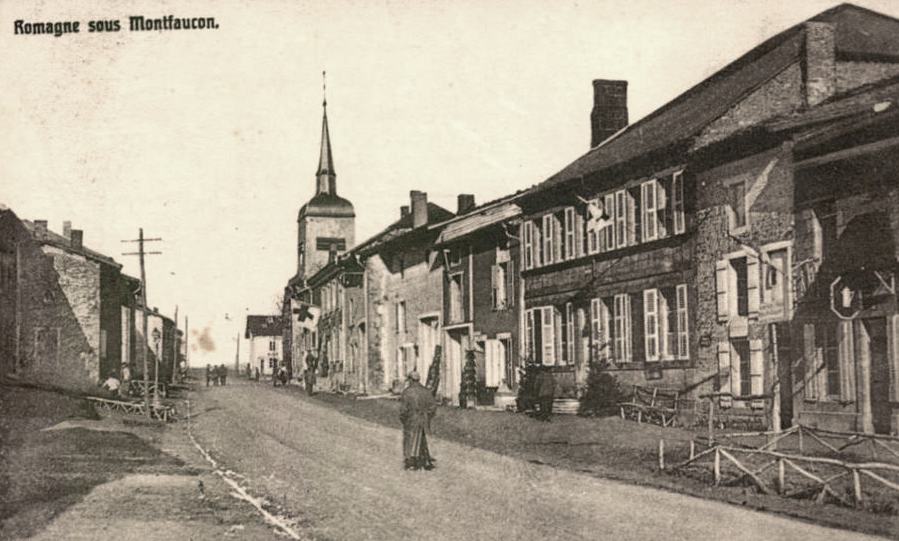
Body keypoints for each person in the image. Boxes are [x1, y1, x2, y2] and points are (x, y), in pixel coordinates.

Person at [400, 370, 437, 471]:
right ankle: (425, 460)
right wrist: (428, 416)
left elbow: (403, 410)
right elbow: (433, 407)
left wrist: (404, 419)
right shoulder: (426, 392)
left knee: (410, 439)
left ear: (411, 380)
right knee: (422, 439)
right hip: (423, 419)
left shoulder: (407, 392)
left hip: (411, 419)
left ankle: (411, 461)